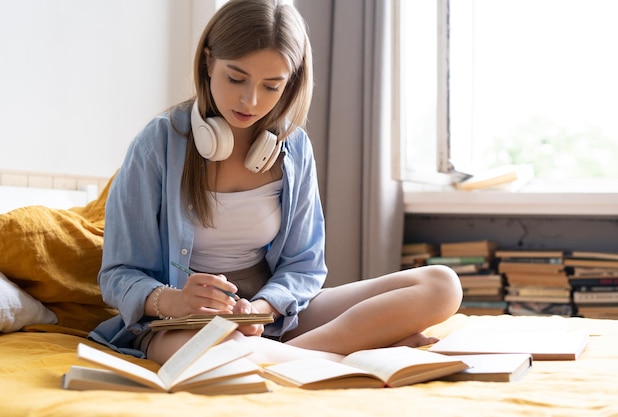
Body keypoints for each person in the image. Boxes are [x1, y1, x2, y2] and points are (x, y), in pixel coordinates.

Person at [89, 0, 462, 365]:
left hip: (270, 313)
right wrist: (173, 300)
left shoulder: (294, 148)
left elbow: (304, 267)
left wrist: (261, 308)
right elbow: (119, 274)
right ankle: (342, 353)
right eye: (236, 78)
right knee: (225, 348)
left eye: (271, 86)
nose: (250, 100)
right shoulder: (158, 144)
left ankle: (289, 354)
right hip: (179, 323)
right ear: (207, 61)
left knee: (442, 285)